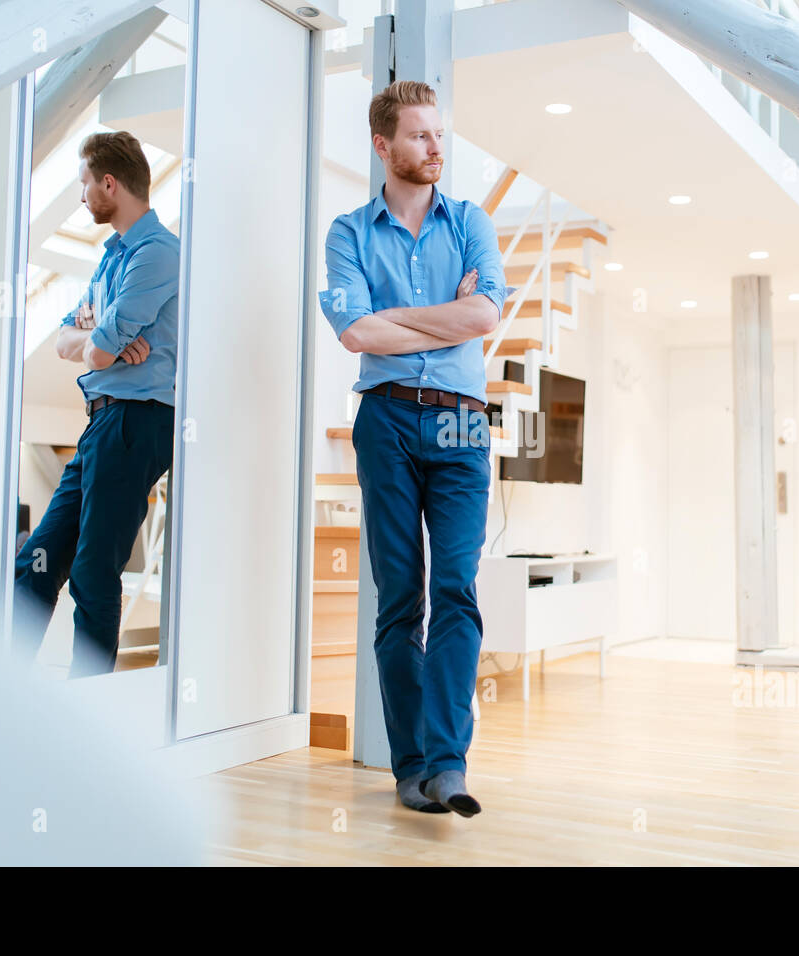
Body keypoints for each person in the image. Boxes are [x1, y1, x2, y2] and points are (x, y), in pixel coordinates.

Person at [319, 80, 507, 816]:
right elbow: (357, 334)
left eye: (439, 135)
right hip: (387, 421)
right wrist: (446, 318)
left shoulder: (472, 223)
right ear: (383, 146)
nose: (436, 148)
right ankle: (410, 769)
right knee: (401, 598)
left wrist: (401, 318)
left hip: (461, 422)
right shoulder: (349, 234)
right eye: (420, 136)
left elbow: (485, 314)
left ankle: (448, 763)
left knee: (455, 588)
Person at [13, 131, 179, 678]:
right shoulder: (113, 258)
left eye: (84, 183)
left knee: (93, 570)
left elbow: (99, 347)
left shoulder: (156, 254)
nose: (82, 197)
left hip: (136, 422)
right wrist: (98, 345)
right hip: (102, 421)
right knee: (35, 564)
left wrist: (99, 345)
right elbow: (71, 339)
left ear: (110, 183)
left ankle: (90, 711)